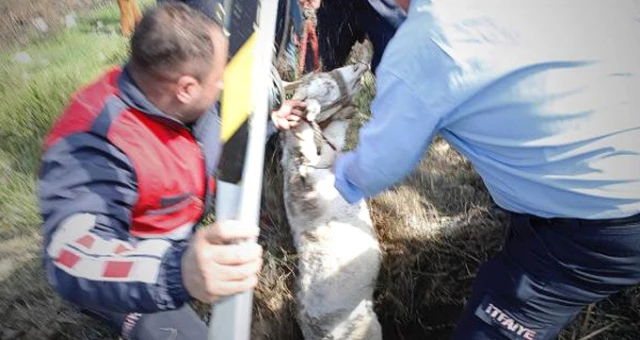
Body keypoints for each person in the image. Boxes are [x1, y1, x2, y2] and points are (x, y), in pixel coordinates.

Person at [332, 0, 640, 339]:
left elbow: (377, 167)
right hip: (612, 170)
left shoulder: (429, 42)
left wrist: (331, 171)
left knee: (492, 329)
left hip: (601, 225)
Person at [39, 3, 303, 339]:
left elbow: (220, 139)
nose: (224, 85)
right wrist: (177, 271)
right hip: (133, 272)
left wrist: (270, 124)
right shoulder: (92, 141)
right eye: (221, 76)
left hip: (180, 244)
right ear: (187, 88)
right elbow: (70, 255)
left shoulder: (187, 102)